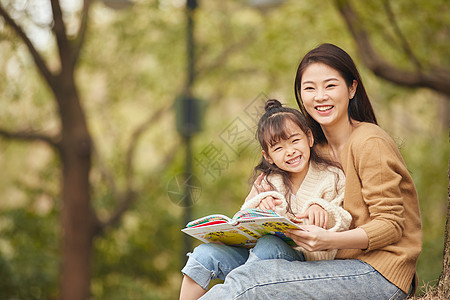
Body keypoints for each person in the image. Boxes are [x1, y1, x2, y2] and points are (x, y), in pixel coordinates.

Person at [198, 43, 422, 300]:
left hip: (378, 273)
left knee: (250, 283)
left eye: (330, 85)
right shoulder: (312, 152)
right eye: (310, 88)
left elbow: (391, 225)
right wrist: (263, 203)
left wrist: (329, 240)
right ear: (301, 96)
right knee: (215, 259)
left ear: (351, 88)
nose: (320, 96)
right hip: (328, 264)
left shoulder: (369, 142)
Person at [179, 99, 352, 300]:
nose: (290, 151)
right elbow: (242, 218)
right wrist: (258, 206)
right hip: (257, 258)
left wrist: (323, 209)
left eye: (295, 141)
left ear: (309, 138)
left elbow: (345, 219)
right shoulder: (269, 181)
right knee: (204, 254)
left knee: (269, 244)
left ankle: (237, 293)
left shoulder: (332, 176)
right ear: (268, 156)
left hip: (305, 262)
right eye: (278, 148)